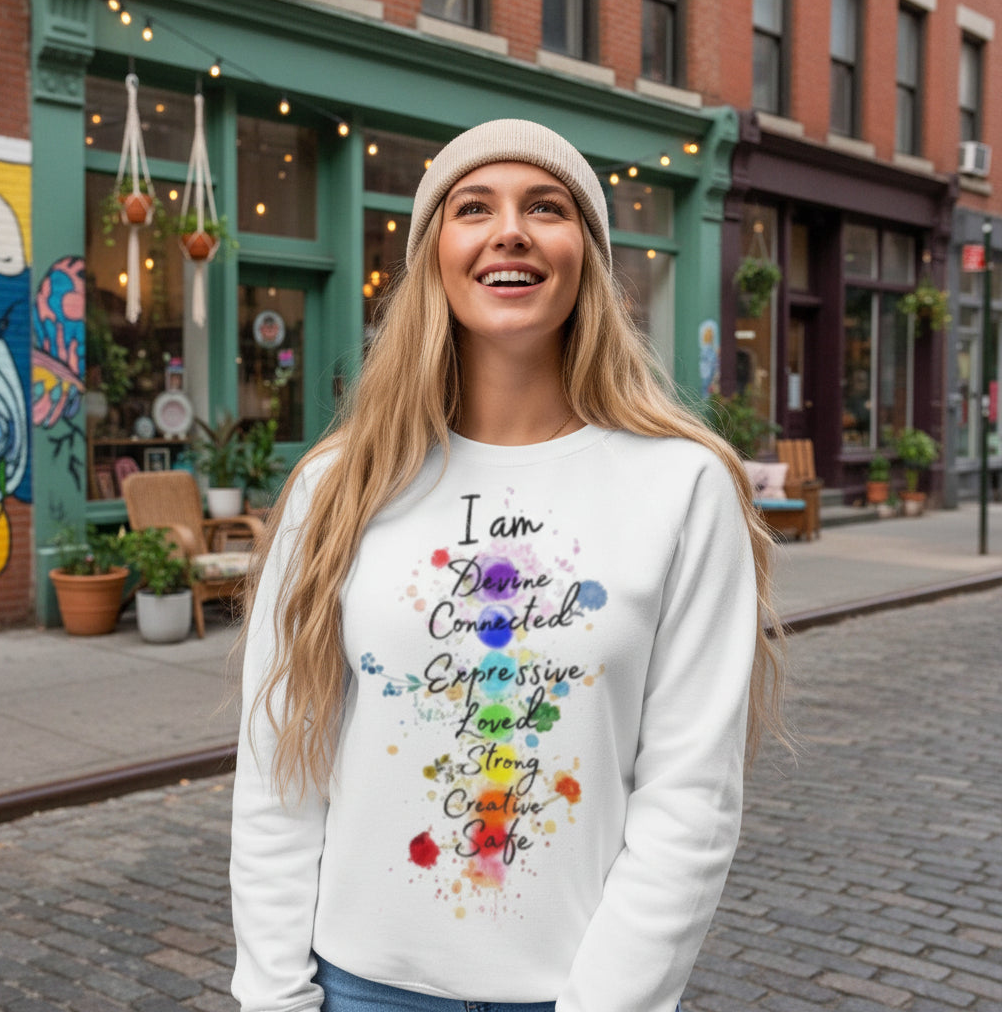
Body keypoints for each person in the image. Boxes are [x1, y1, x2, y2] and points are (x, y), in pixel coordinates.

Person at [230, 118, 787, 1012]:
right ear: (433, 256)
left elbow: (691, 796)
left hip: (574, 992)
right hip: (357, 988)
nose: (511, 231)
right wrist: (273, 997)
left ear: (588, 256)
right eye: (473, 208)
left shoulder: (683, 486)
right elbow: (279, 769)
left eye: (547, 207)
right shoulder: (338, 487)